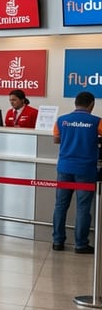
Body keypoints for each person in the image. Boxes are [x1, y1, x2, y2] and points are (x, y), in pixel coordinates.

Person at [52, 91, 102, 253]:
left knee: (60, 205)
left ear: (75, 103)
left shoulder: (61, 120)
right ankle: (80, 244)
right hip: (85, 170)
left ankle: (57, 242)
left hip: (64, 168)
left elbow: (56, 140)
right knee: (83, 207)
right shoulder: (97, 122)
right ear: (91, 105)